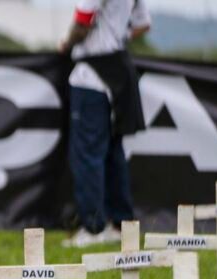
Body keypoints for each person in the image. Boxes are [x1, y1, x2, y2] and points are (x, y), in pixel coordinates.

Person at [59, 0, 152, 248]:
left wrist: (66, 44)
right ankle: (120, 224)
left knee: (88, 154)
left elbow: (82, 21)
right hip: (119, 70)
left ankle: (93, 226)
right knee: (113, 151)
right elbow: (143, 25)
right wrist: (116, 35)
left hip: (92, 74)